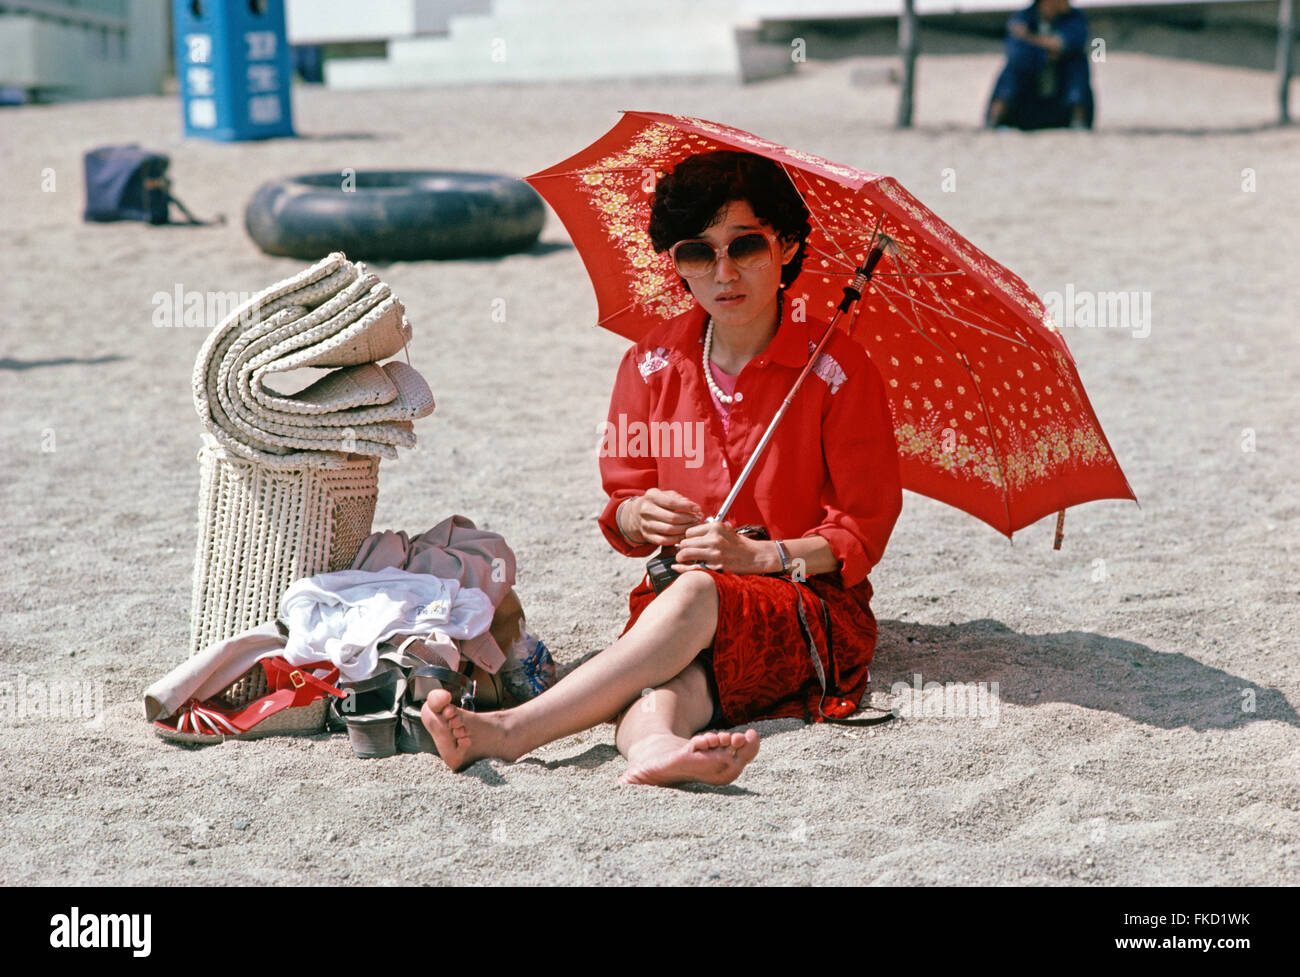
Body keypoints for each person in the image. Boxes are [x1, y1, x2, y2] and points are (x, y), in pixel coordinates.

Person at [421, 150, 902, 787]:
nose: (723, 272)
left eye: (746, 245)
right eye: (697, 252)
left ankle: (512, 732)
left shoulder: (839, 369)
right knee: (664, 673)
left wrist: (761, 557)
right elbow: (620, 502)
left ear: (785, 246)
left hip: (805, 605)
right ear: (675, 263)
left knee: (692, 601)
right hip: (680, 593)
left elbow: (861, 532)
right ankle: (655, 746)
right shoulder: (651, 362)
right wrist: (637, 512)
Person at [986, 0, 1094, 130]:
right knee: (1014, 69)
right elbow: (1017, 54)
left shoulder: (1074, 17)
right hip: (1027, 104)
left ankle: (1078, 121)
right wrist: (1046, 54)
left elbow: (1070, 43)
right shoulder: (1023, 18)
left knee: (1077, 64)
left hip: (1061, 105)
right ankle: (994, 120)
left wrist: (1029, 37)